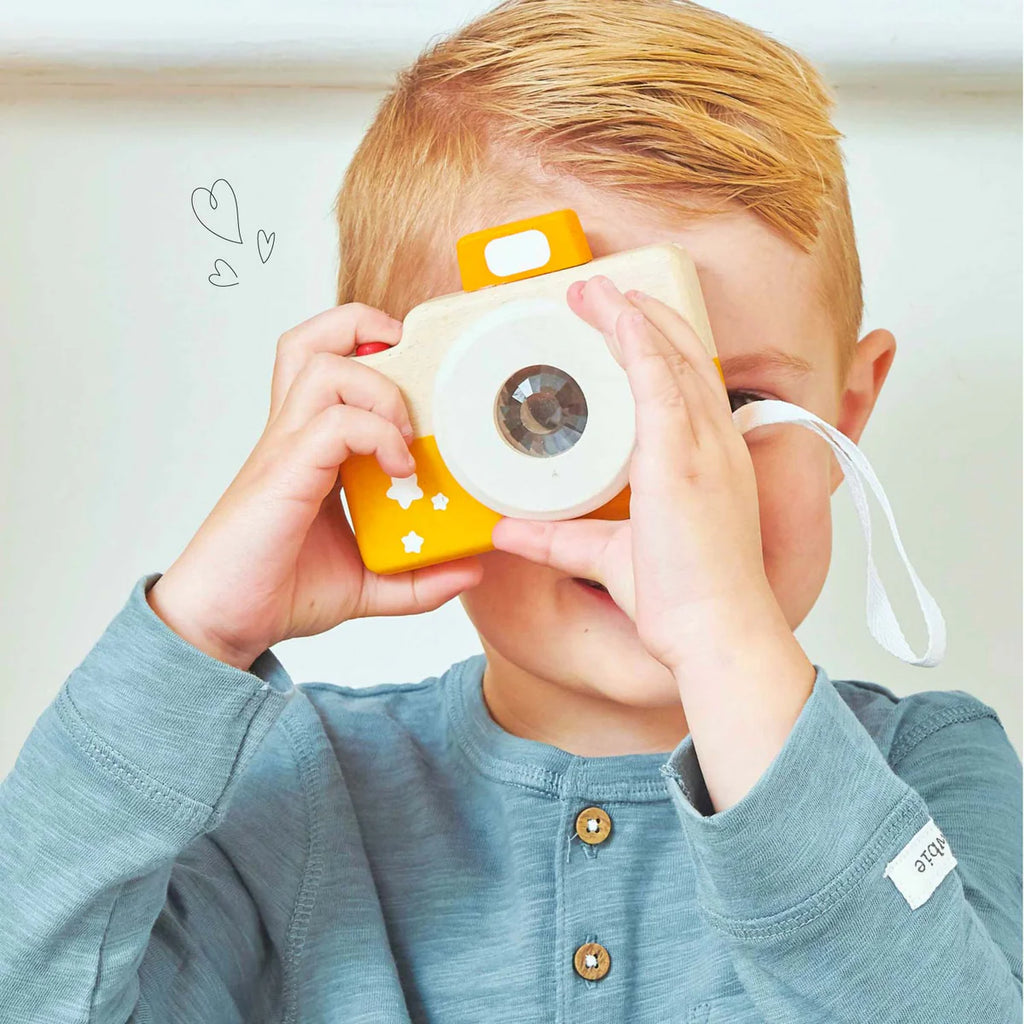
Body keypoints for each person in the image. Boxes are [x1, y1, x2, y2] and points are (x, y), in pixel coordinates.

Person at [1, 1, 1020, 1021]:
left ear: (846, 414)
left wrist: (726, 642)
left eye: (733, 402)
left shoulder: (927, 772)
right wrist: (198, 632)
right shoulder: (297, 792)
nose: (656, 490)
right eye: (547, 408)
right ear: (389, 412)